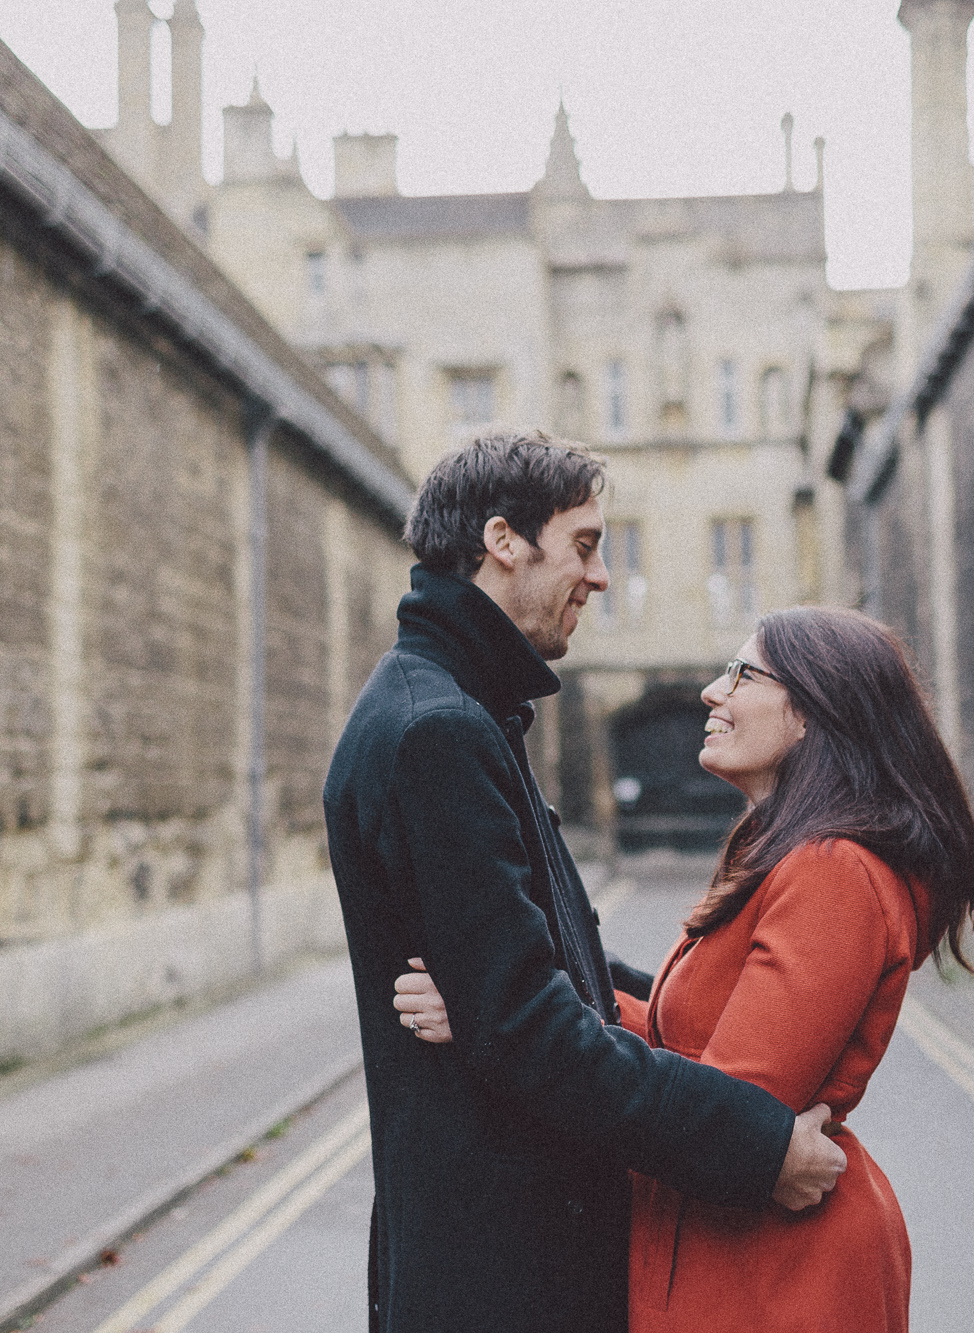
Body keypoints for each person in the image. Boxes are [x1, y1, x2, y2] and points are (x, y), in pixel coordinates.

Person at [323, 429, 846, 1333]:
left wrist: (507, 1001)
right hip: (502, 1277)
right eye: (585, 545)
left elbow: (539, 983)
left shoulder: (462, 707)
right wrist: (759, 1148)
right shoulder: (439, 730)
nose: (601, 577)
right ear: (502, 541)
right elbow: (532, 1030)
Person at [396, 605, 974, 1332]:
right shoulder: (785, 853)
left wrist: (508, 1017)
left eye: (743, 674)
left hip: (780, 1278)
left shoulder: (834, 872)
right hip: (727, 1249)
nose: (712, 690)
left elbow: (734, 1109)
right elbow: (689, 1043)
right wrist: (507, 1000)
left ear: (813, 711)